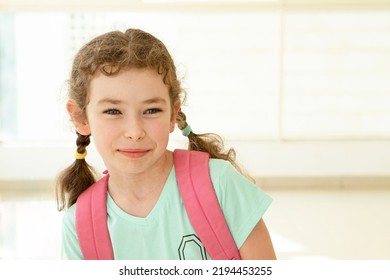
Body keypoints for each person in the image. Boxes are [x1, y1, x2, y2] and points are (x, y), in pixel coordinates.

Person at [56, 28, 276, 260]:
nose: (135, 132)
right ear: (81, 118)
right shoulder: (78, 226)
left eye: (151, 110)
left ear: (173, 115)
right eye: (113, 111)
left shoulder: (219, 184)